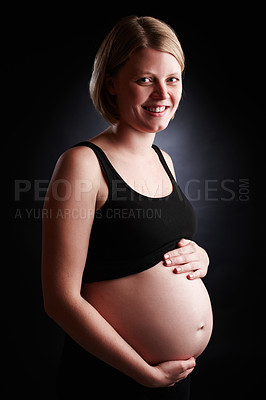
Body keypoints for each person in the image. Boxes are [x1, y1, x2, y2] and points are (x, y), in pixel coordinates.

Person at [42, 15, 213, 400]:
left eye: (172, 79)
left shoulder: (165, 160)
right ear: (112, 84)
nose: (162, 94)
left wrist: (199, 257)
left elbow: (151, 247)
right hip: (112, 377)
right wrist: (145, 375)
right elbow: (59, 299)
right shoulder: (82, 164)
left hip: (171, 380)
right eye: (144, 80)